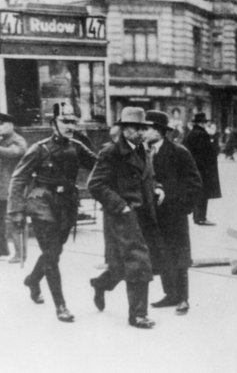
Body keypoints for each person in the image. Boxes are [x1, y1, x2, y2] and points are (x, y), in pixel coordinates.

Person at [8, 103, 96, 322]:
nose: (70, 126)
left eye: (73, 122)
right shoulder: (39, 148)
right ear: (53, 123)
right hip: (42, 202)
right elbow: (19, 178)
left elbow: (100, 164)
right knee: (52, 252)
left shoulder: (76, 147)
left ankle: (32, 280)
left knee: (54, 250)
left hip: (66, 204)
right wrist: (16, 209)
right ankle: (61, 306)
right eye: (65, 121)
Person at [88, 106, 164, 329]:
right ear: (123, 129)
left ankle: (100, 284)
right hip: (123, 215)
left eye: (143, 128)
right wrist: (121, 206)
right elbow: (95, 184)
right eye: (135, 128)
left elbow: (149, 177)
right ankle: (138, 315)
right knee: (138, 261)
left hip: (144, 214)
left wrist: (158, 188)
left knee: (124, 266)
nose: (140, 132)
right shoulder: (111, 152)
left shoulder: (144, 150)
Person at [144, 110, 203, 315]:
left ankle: (183, 298)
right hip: (154, 215)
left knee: (179, 256)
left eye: (148, 128)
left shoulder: (179, 152)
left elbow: (194, 183)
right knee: (161, 255)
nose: (144, 132)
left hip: (175, 213)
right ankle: (170, 294)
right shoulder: (145, 152)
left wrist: (182, 207)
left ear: (159, 131)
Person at [184, 112, 221, 225]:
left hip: (193, 167)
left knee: (197, 193)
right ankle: (201, 217)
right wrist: (214, 137)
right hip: (203, 169)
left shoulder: (190, 134)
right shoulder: (202, 135)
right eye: (205, 122)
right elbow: (211, 152)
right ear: (202, 123)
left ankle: (197, 217)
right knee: (203, 194)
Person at [0, 113, 27, 261]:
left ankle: (20, 254)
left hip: (12, 188)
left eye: (1, 124)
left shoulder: (17, 140)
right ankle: (3, 252)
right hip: (1, 189)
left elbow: (16, 152)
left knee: (14, 221)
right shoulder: (2, 140)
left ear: (10, 125)